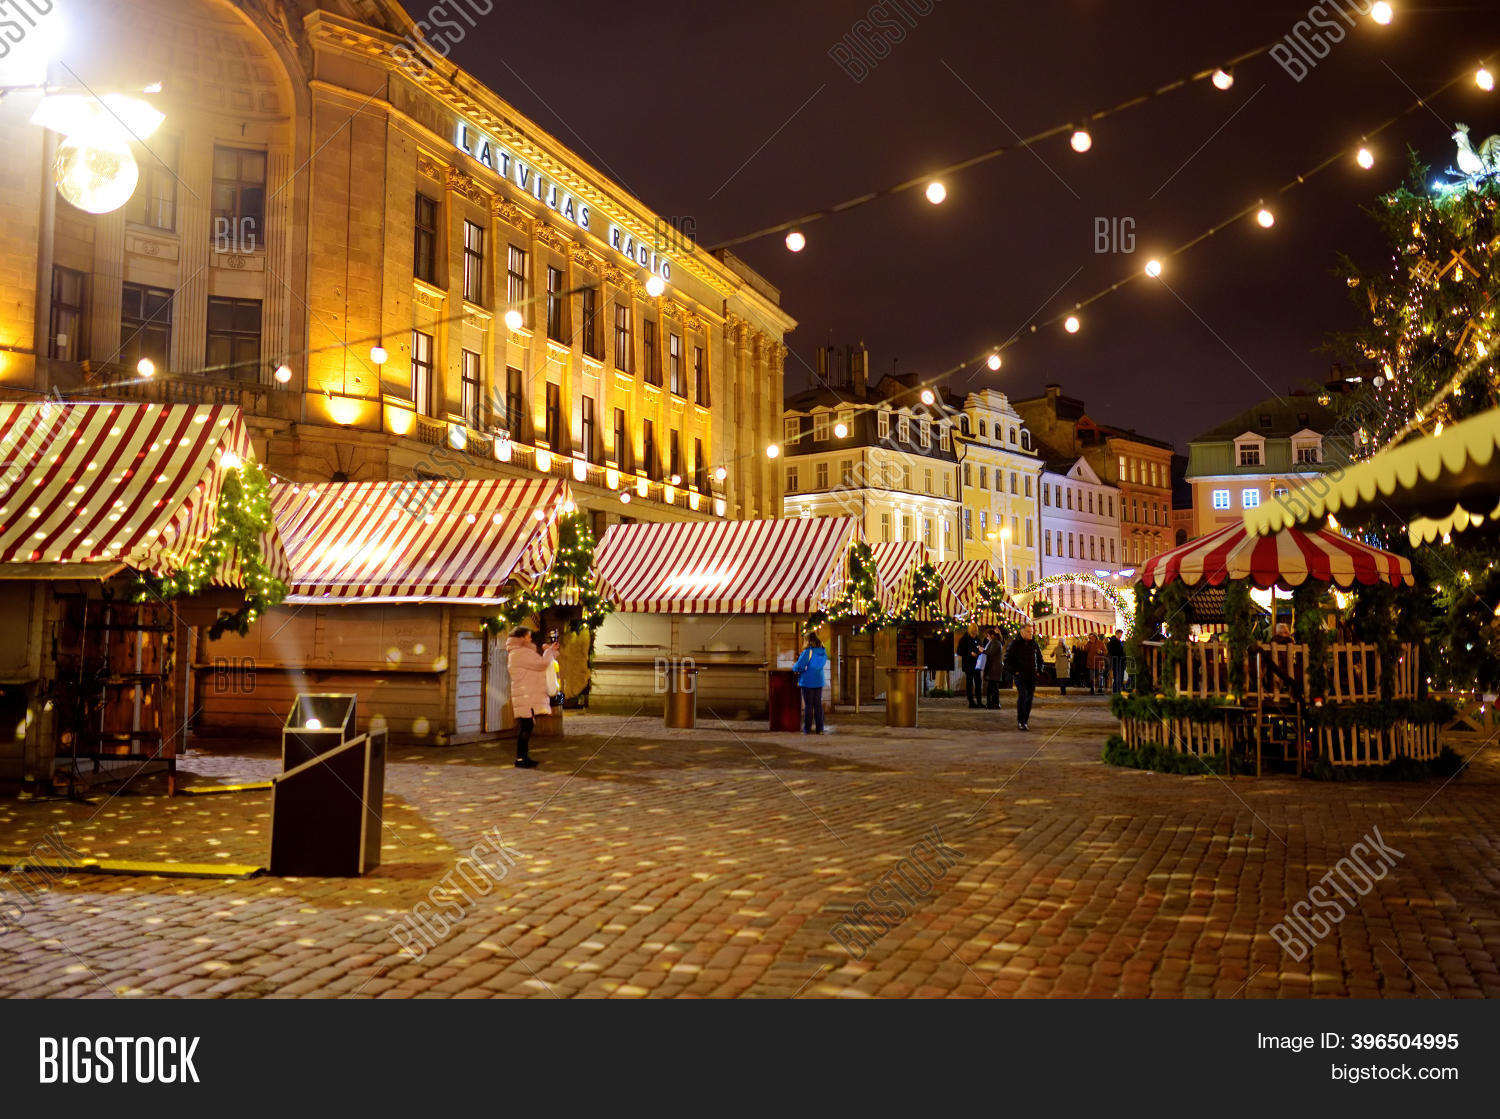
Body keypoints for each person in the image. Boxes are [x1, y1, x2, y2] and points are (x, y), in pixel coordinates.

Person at [506, 626, 559, 768]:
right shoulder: (521, 652)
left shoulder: (519, 652)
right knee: (526, 726)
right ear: (522, 637)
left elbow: (542, 662)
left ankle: (523, 757)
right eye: (528, 636)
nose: (530, 639)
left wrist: (550, 651)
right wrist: (548, 651)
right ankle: (521, 758)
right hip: (526, 694)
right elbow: (542, 664)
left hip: (525, 693)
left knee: (526, 726)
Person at [1004, 623, 1043, 730]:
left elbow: (1040, 658)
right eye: (1028, 632)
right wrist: (1015, 672)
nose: (1031, 634)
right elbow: (1007, 661)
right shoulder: (1015, 644)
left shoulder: (1034, 644)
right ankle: (1020, 721)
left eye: (1032, 632)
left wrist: (1039, 670)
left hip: (1032, 676)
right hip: (1020, 676)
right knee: (1023, 695)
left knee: (1029, 698)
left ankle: (1025, 721)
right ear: (1022, 632)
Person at [793, 633, 828, 734]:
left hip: (808, 681)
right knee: (818, 705)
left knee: (809, 706)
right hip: (819, 680)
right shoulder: (823, 651)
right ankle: (820, 729)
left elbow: (799, 666)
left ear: (807, 640)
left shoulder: (808, 652)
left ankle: (807, 728)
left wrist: (794, 668)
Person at [981, 627, 1007, 710]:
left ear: (991, 635)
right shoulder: (994, 642)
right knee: (992, 687)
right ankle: (991, 703)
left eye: (987, 636)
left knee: (993, 687)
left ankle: (994, 703)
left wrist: (982, 650)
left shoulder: (995, 642)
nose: (987, 637)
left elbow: (990, 652)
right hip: (993, 668)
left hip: (994, 668)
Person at [956, 627, 983, 708]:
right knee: (969, 684)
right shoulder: (964, 639)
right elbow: (959, 651)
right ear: (969, 632)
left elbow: (980, 647)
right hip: (968, 664)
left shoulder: (978, 639)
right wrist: (969, 653)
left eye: (975, 633)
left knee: (978, 683)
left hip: (977, 664)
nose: (974, 635)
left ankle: (979, 701)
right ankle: (971, 702)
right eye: (973, 633)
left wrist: (980, 651)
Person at [1107, 629, 1127, 693]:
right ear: (1117, 634)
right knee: (1117, 676)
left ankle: (1117, 689)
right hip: (1116, 661)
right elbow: (1113, 652)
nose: (1121, 636)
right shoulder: (1113, 642)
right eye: (1120, 634)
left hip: (1121, 661)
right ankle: (1116, 690)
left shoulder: (1119, 642)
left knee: (1119, 676)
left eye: (1121, 634)